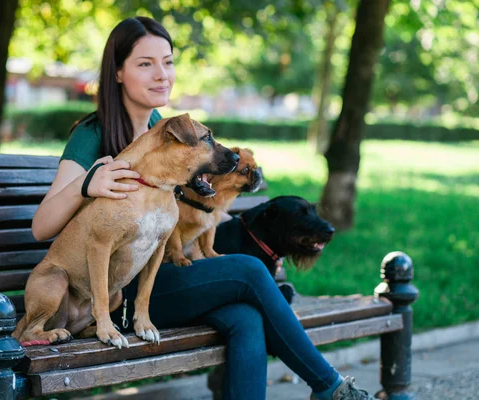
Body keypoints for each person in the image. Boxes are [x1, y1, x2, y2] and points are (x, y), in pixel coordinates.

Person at [31, 16, 376, 400]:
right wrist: (86, 184)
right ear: (117, 73)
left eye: (168, 61)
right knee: (246, 271)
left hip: (161, 275)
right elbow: (42, 226)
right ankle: (331, 388)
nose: (162, 74)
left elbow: (202, 205)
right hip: (113, 294)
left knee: (245, 319)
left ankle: (327, 387)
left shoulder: (169, 128)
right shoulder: (93, 134)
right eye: (146, 64)